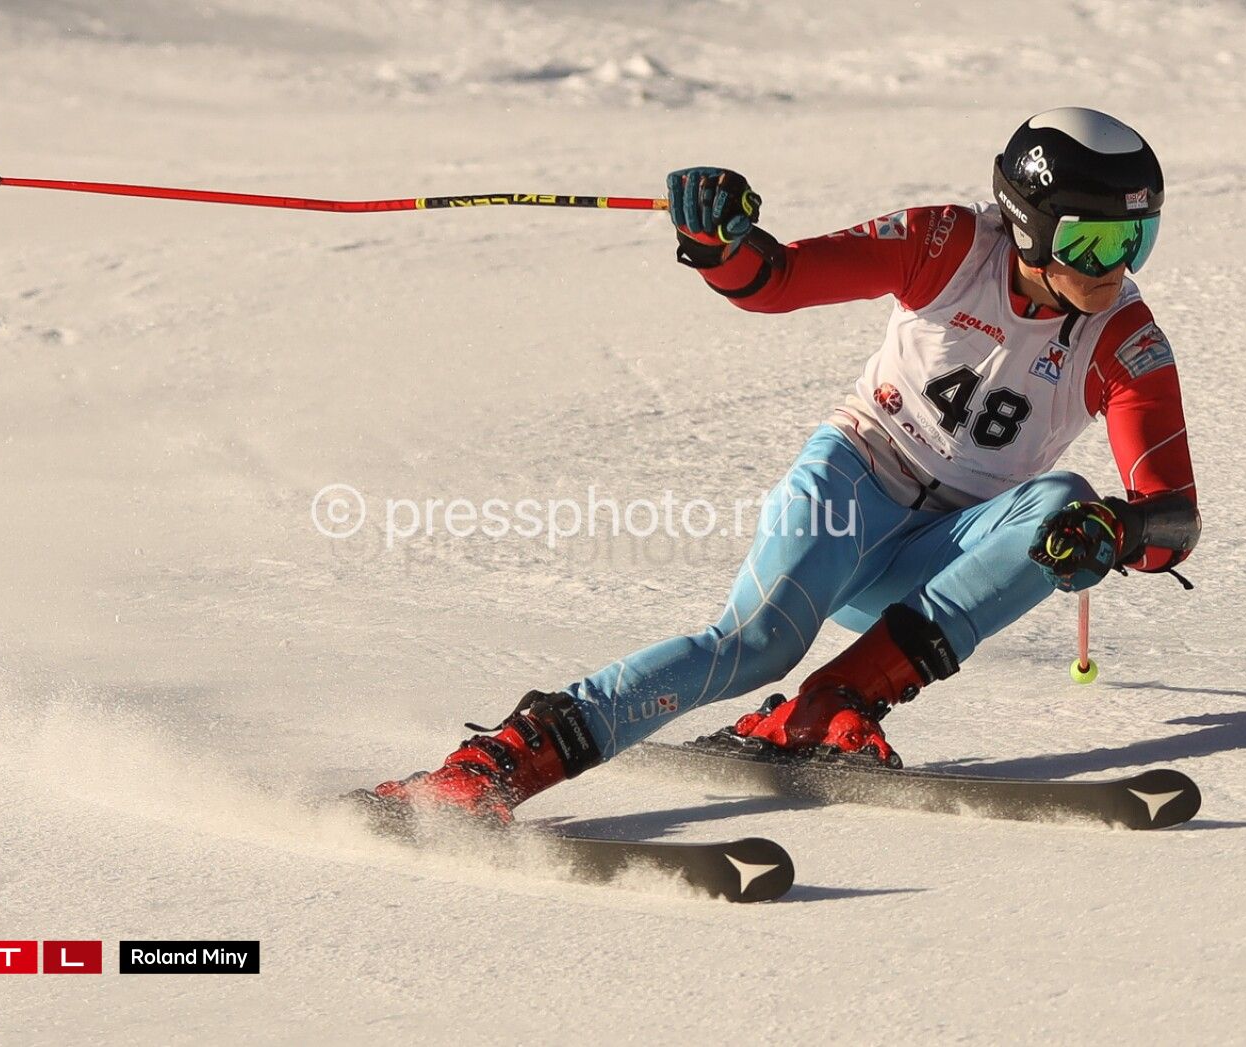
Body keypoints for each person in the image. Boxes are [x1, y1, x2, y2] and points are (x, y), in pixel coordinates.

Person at [372, 107, 1201, 820]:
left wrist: (1114, 532)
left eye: (1138, 238)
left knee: (1064, 504)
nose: (1118, 268)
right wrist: (719, 244)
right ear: (1029, 226)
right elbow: (779, 278)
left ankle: (830, 703)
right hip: (854, 483)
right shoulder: (949, 244)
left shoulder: (1124, 339)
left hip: (940, 553)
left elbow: (1171, 517)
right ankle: (504, 760)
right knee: (757, 643)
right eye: (1094, 241)